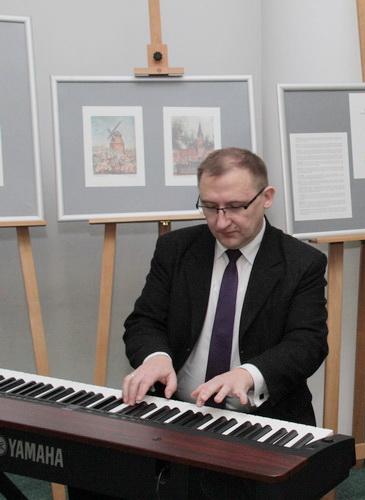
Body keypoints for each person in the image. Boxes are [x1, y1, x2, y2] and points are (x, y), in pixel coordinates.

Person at [121, 147, 328, 427]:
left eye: (235, 206)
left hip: (264, 419)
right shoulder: (175, 249)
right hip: (177, 414)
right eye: (209, 207)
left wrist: (249, 374)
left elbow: (307, 343)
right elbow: (145, 321)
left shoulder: (301, 262)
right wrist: (156, 357)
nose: (221, 222)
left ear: (266, 197)